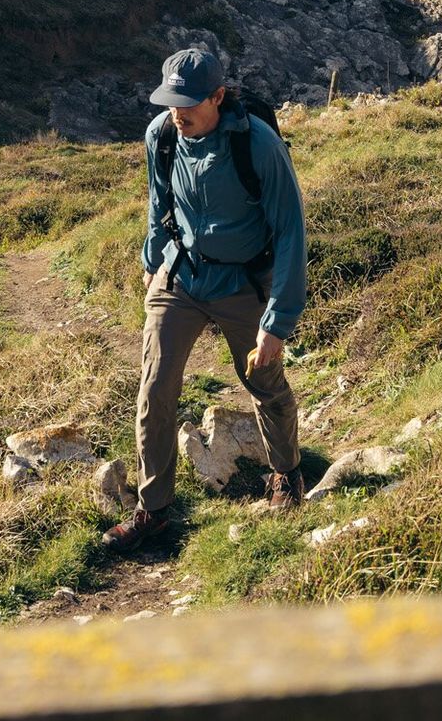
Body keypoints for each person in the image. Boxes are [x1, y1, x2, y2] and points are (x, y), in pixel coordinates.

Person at [102, 46, 307, 552]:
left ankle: (287, 475)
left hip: (241, 283)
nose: (178, 111)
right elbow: (158, 202)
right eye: (171, 100)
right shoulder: (162, 136)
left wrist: (276, 321)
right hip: (182, 276)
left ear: (218, 96)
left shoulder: (257, 145)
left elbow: (290, 233)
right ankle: (153, 510)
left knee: (264, 380)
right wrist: (153, 264)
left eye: (190, 102)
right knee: (154, 391)